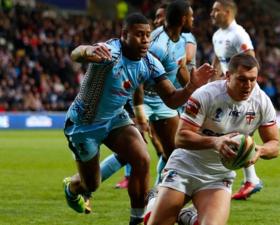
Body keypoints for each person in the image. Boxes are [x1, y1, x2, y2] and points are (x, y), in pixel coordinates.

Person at [62, 12, 214, 225]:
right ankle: (72, 188)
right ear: (124, 35)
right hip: (84, 124)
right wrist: (88, 50)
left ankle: (137, 220)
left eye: (148, 35)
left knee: (142, 159)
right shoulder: (110, 52)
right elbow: (76, 53)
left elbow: (171, 99)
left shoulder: (151, 63)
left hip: (116, 119)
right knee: (91, 184)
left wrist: (190, 86)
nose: (145, 40)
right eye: (139, 35)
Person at [145, 53, 280, 225]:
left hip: (218, 175)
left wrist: (259, 150)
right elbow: (180, 138)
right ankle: (155, 202)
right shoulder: (206, 94)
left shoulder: (262, 102)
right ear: (228, 76)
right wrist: (216, 142)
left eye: (253, 80)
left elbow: (275, 145)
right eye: (242, 79)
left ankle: (188, 217)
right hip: (185, 167)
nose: (248, 86)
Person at [114, 1, 199, 189]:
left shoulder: (182, 40)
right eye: (191, 17)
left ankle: (159, 193)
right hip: (143, 97)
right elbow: (139, 77)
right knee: (129, 153)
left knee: (174, 152)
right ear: (183, 19)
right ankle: (82, 185)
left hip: (164, 100)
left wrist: (198, 92)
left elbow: (180, 69)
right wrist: (139, 111)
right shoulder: (157, 42)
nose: (194, 20)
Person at [209, 0, 263, 200]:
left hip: (242, 92)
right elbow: (217, 61)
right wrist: (212, 84)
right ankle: (251, 179)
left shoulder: (238, 34)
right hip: (226, 90)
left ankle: (250, 179)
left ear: (228, 11)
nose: (212, 13)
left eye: (216, 10)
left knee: (236, 132)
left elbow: (251, 60)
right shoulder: (217, 35)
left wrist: (244, 85)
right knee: (230, 131)